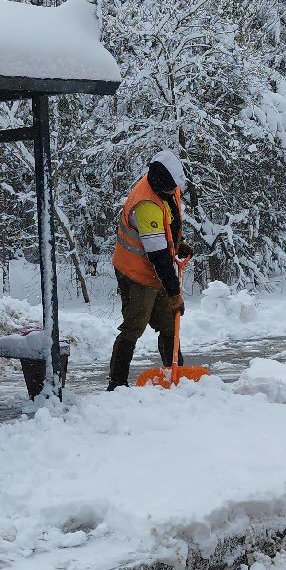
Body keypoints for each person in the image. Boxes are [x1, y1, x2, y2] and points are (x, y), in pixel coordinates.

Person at [108, 150, 194, 390]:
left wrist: (176, 244)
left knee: (169, 323)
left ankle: (177, 376)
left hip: (156, 267)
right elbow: (158, 257)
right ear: (158, 182)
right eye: (169, 188)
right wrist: (175, 292)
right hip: (136, 272)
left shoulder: (169, 186)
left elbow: (169, 222)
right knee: (135, 325)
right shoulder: (146, 205)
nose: (172, 191)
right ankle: (116, 384)